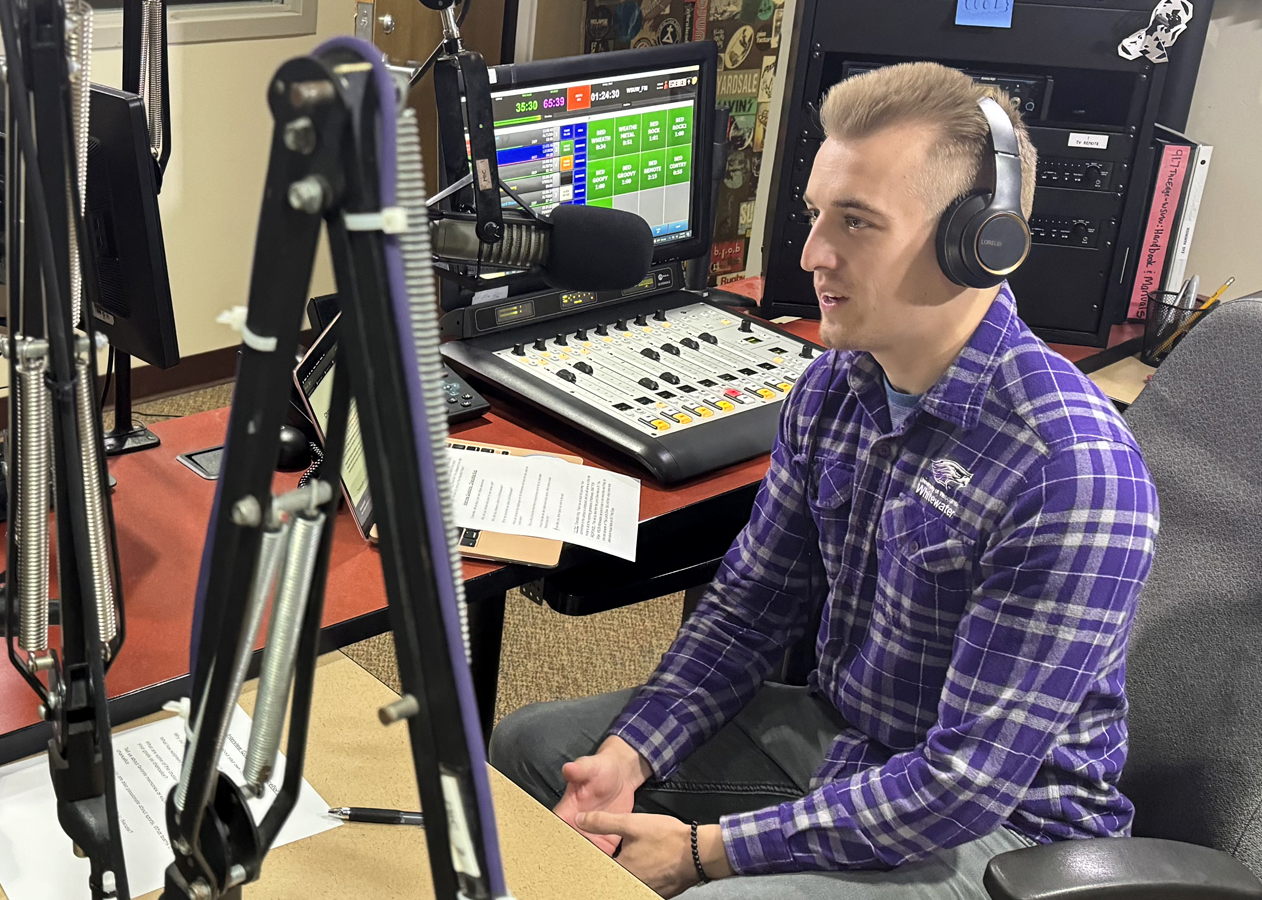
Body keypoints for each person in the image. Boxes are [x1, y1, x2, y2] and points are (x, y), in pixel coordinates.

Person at [489, 62, 1160, 899]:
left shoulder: (1070, 469)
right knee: (536, 752)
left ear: (978, 245)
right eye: (815, 214)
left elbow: (964, 784)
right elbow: (748, 611)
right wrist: (633, 753)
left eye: (857, 223)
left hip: (1003, 832)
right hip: (846, 738)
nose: (812, 255)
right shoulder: (836, 383)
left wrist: (706, 849)